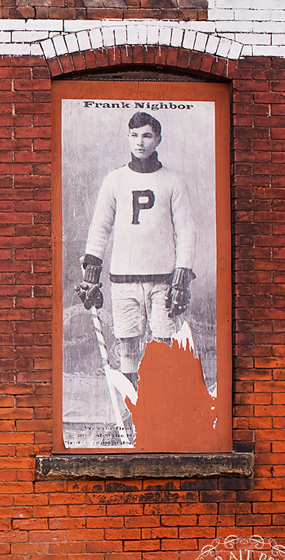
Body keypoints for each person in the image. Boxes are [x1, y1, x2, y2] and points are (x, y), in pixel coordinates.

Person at [75, 111, 196, 387]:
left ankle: (161, 411)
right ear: (128, 138)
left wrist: (182, 277)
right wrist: (90, 277)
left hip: (162, 278)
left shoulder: (173, 181)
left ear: (158, 139)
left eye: (146, 136)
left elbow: (187, 231)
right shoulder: (115, 180)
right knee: (127, 346)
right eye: (133, 135)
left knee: (164, 344)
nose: (139, 142)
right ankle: (133, 414)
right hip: (124, 279)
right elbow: (100, 228)